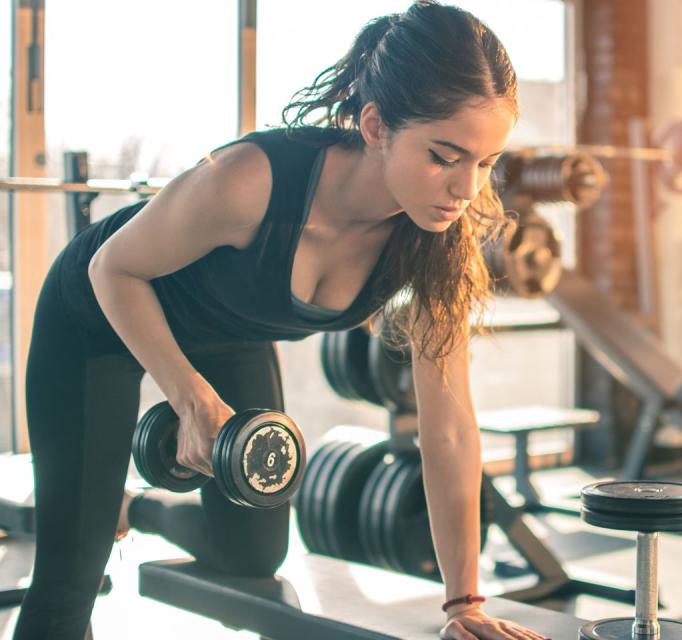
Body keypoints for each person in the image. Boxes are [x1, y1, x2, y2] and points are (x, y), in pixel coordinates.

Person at [15, 3, 549, 639]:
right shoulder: (250, 181)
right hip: (97, 318)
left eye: (486, 163)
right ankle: (93, 515)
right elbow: (112, 270)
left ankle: (136, 507)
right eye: (444, 155)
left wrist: (463, 601)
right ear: (376, 126)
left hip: (228, 334)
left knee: (251, 552)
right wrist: (189, 398)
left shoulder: (435, 239)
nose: (466, 188)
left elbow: (452, 426)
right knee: (67, 586)